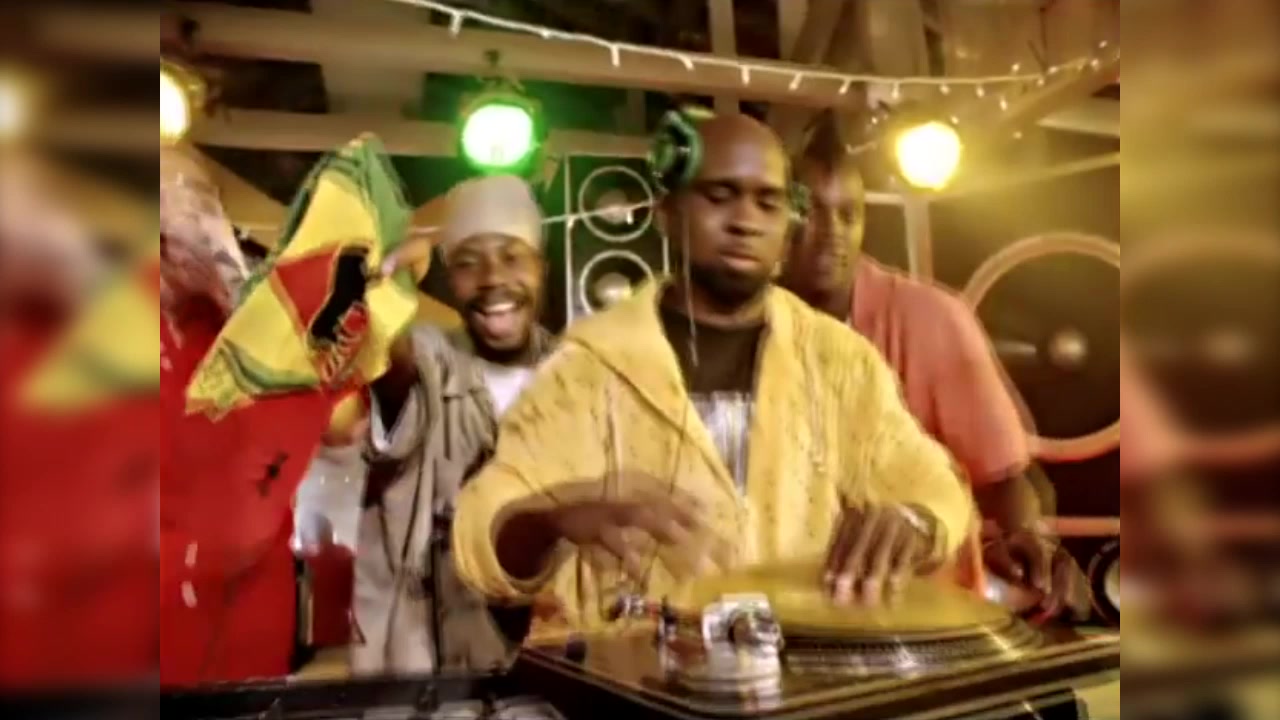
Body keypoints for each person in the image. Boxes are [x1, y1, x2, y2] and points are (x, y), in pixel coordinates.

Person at [450, 111, 973, 633]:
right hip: (637, 674)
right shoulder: (590, 365)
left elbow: (934, 484)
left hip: (800, 673)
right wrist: (551, 518)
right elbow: (480, 533)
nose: (746, 221)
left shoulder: (837, 360)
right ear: (668, 213)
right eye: (720, 196)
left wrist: (916, 521)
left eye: (767, 202)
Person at [778, 115, 1087, 617]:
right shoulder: (749, 323)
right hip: (792, 605)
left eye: (849, 215)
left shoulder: (932, 317)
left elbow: (1008, 477)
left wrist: (1031, 541)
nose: (832, 233)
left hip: (926, 613)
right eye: (810, 212)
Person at [355, 174, 556, 674]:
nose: (492, 278)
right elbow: (389, 355)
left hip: (555, 675)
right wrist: (388, 282)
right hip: (433, 687)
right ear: (448, 280)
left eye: (512, 256)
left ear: (542, 268)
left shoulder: (581, 378)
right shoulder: (428, 363)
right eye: (467, 262)